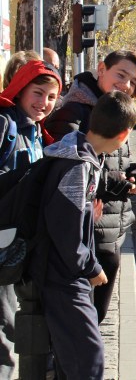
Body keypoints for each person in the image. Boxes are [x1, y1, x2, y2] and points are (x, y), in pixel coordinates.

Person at [31, 90, 136, 380]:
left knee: (74, 361)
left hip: (64, 275)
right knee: (88, 360)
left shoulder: (80, 155)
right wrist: (91, 268)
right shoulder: (78, 166)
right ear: (123, 135)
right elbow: (65, 230)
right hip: (64, 278)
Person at [45, 50, 136, 324]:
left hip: (110, 228)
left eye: (133, 82)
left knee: (95, 317)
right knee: (77, 321)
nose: (126, 85)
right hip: (83, 232)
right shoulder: (73, 112)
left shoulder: (116, 108)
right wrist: (120, 184)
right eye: (121, 75)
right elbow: (68, 168)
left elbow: (121, 161)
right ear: (101, 69)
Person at [0, 60, 61, 380]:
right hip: (3, 239)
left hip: (16, 242)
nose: (44, 103)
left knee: (13, 326)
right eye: (38, 93)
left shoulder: (36, 131)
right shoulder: (4, 124)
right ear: (21, 90)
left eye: (51, 97)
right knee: (5, 329)